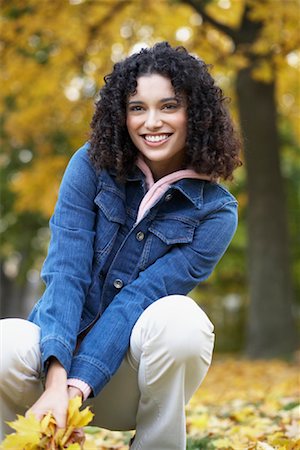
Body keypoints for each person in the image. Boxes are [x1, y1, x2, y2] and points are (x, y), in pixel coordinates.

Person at [0, 42, 241, 449]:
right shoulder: (90, 165)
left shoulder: (216, 213)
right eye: (137, 108)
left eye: (169, 106)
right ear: (121, 114)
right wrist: (57, 380)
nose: (152, 122)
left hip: (126, 381)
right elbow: (66, 273)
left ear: (195, 114)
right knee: (5, 341)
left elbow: (139, 297)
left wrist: (75, 391)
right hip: (49, 372)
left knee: (181, 320)